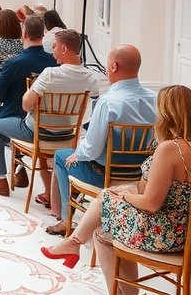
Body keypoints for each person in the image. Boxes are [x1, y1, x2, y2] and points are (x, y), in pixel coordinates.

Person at [41, 85, 191, 295]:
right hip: (183, 232)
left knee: (106, 202)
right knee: (105, 224)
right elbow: (161, 194)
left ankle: (75, 245)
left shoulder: (170, 148)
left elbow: (151, 203)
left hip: (165, 234)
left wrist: (125, 197)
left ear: (168, 112)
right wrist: (130, 192)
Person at [47, 44, 156, 235]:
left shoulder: (108, 102)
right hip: (139, 175)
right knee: (76, 155)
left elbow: (92, 149)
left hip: (105, 174)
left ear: (113, 66)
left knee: (62, 157)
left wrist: (78, 153)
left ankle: (66, 219)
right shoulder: (154, 99)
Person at [0, 28, 98, 200]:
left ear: (64, 49)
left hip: (38, 132)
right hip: (68, 134)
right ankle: (49, 192)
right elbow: (94, 104)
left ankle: (0, 180)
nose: (53, 51)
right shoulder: (91, 77)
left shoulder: (50, 74)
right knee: (39, 130)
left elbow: (26, 105)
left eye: (56, 46)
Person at [0, 15, 56, 197]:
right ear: (43, 34)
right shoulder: (54, 62)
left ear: (24, 33)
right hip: (52, 120)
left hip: (19, 116)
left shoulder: (14, 63)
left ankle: (0, 179)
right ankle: (20, 172)